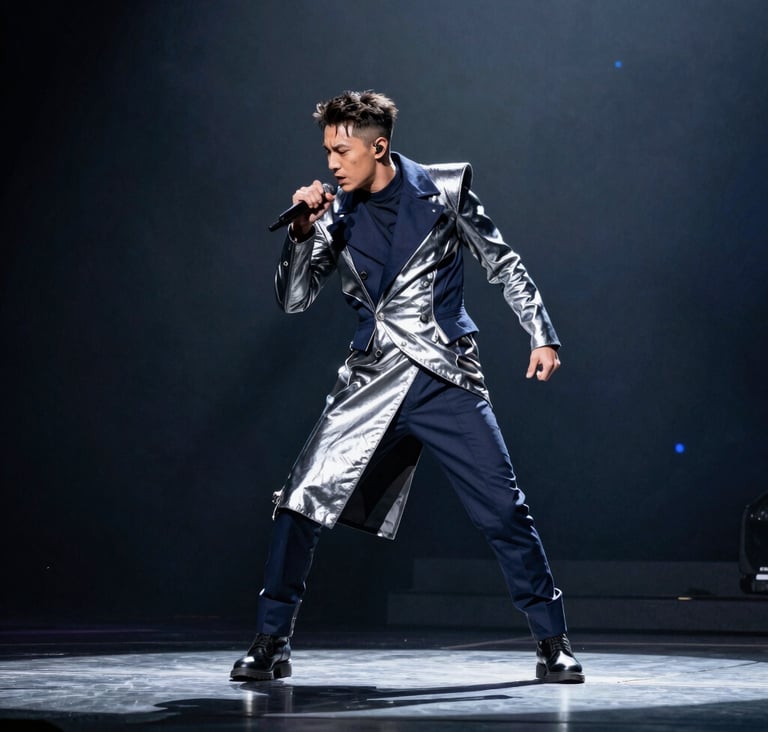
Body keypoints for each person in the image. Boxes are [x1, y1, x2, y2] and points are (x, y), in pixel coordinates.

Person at [231, 90, 583, 684]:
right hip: (370, 380)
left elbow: (503, 262)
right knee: (298, 503)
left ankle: (553, 641)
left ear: (380, 146)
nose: (332, 164)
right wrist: (298, 232)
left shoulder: (443, 190)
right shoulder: (334, 215)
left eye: (343, 151)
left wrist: (540, 334)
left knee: (503, 510)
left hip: (444, 376)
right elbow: (294, 301)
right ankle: (272, 640)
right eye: (327, 152)